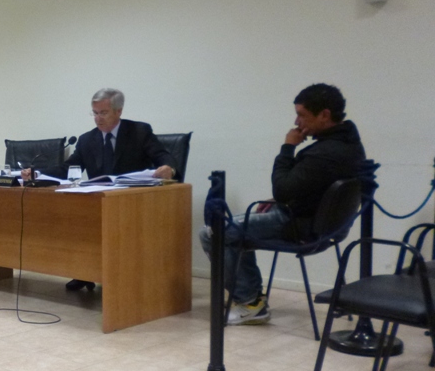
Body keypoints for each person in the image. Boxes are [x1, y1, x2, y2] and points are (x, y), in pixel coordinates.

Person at [201, 83, 365, 325]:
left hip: (299, 226)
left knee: (213, 233)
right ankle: (250, 297)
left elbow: (282, 188)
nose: (297, 122)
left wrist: (287, 148)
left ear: (324, 115)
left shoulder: (323, 153)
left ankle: (250, 303)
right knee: (231, 232)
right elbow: (312, 186)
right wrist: (281, 198)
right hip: (326, 226)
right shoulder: (350, 144)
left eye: (302, 115)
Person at [33, 88, 175, 291]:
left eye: (104, 113)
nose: (98, 118)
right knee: (71, 216)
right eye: (95, 113)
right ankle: (84, 271)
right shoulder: (86, 139)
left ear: (119, 111)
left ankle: (127, 276)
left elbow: (163, 155)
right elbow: (68, 169)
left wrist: (168, 167)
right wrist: (38, 173)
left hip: (132, 200)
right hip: (98, 200)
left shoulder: (139, 132)